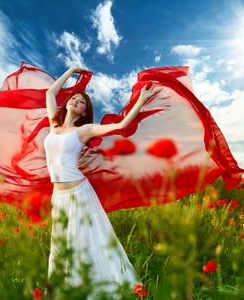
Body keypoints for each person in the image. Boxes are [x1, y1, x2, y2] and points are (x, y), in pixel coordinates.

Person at [44, 66, 155, 296]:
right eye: (73, 97)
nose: (75, 100)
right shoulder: (53, 126)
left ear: (85, 112)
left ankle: (106, 288)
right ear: (66, 104)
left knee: (91, 242)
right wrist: (73, 70)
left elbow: (121, 125)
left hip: (80, 194)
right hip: (59, 197)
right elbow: (49, 94)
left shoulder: (84, 130)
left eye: (81, 101)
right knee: (62, 244)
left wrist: (142, 99)